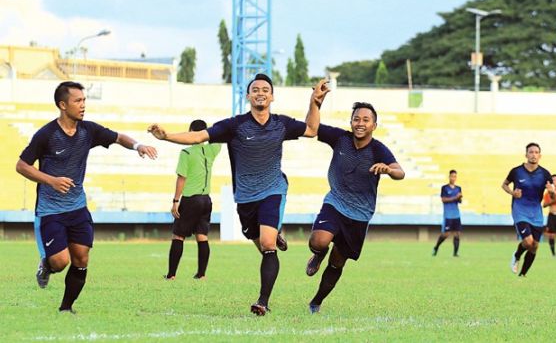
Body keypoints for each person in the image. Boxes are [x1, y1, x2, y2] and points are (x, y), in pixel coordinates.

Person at [148, 73, 329, 316]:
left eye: (265, 89)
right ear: (248, 96)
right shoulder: (235, 125)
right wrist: (167, 136)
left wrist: (314, 102)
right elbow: (199, 136)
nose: (260, 93)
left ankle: (263, 302)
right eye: (255, 90)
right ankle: (274, 233)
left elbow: (311, 129)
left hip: (273, 189)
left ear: (272, 96)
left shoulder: (281, 124)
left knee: (267, 245)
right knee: (256, 238)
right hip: (245, 197)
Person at [15, 81, 157, 313]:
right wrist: (51, 180)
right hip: (50, 210)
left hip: (78, 207)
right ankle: (46, 265)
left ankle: (66, 308)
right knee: (60, 262)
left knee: (81, 258)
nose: (83, 106)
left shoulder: (88, 131)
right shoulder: (46, 134)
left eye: (84, 101)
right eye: (77, 101)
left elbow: (119, 137)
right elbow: (21, 166)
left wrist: (138, 145)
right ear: (63, 105)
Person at [305, 102, 405, 314]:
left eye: (365, 120)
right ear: (351, 122)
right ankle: (318, 254)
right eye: (356, 119)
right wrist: (315, 103)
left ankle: (316, 301)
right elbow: (312, 127)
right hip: (335, 202)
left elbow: (400, 172)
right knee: (318, 241)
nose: (360, 123)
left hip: (359, 214)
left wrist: (387, 169)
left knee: (337, 263)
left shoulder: (379, 149)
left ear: (374, 125)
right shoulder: (340, 138)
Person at [164, 119, 221, 281]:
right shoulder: (212, 150)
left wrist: (175, 201)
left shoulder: (186, 153)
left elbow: (182, 178)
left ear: (190, 133)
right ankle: (201, 274)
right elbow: (216, 136)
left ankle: (171, 274)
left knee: (178, 236)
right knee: (202, 236)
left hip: (190, 199)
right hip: (206, 200)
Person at [502, 142, 555, 277]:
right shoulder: (516, 171)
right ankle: (517, 255)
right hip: (520, 210)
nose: (533, 155)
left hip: (536, 212)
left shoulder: (545, 174)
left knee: (535, 246)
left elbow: (553, 197)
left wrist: (551, 192)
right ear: (526, 154)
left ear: (540, 155)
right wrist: (512, 193)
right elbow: (504, 185)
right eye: (531, 152)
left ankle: (522, 275)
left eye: (536, 152)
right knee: (528, 241)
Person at [432, 170, 463, 257]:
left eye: (455, 176)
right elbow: (443, 200)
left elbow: (460, 201)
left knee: (457, 233)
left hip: (456, 214)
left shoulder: (458, 188)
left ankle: (455, 253)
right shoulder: (444, 188)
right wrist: (455, 197)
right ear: (449, 177)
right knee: (446, 234)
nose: (453, 178)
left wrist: (460, 198)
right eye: (452, 176)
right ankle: (436, 247)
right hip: (448, 214)